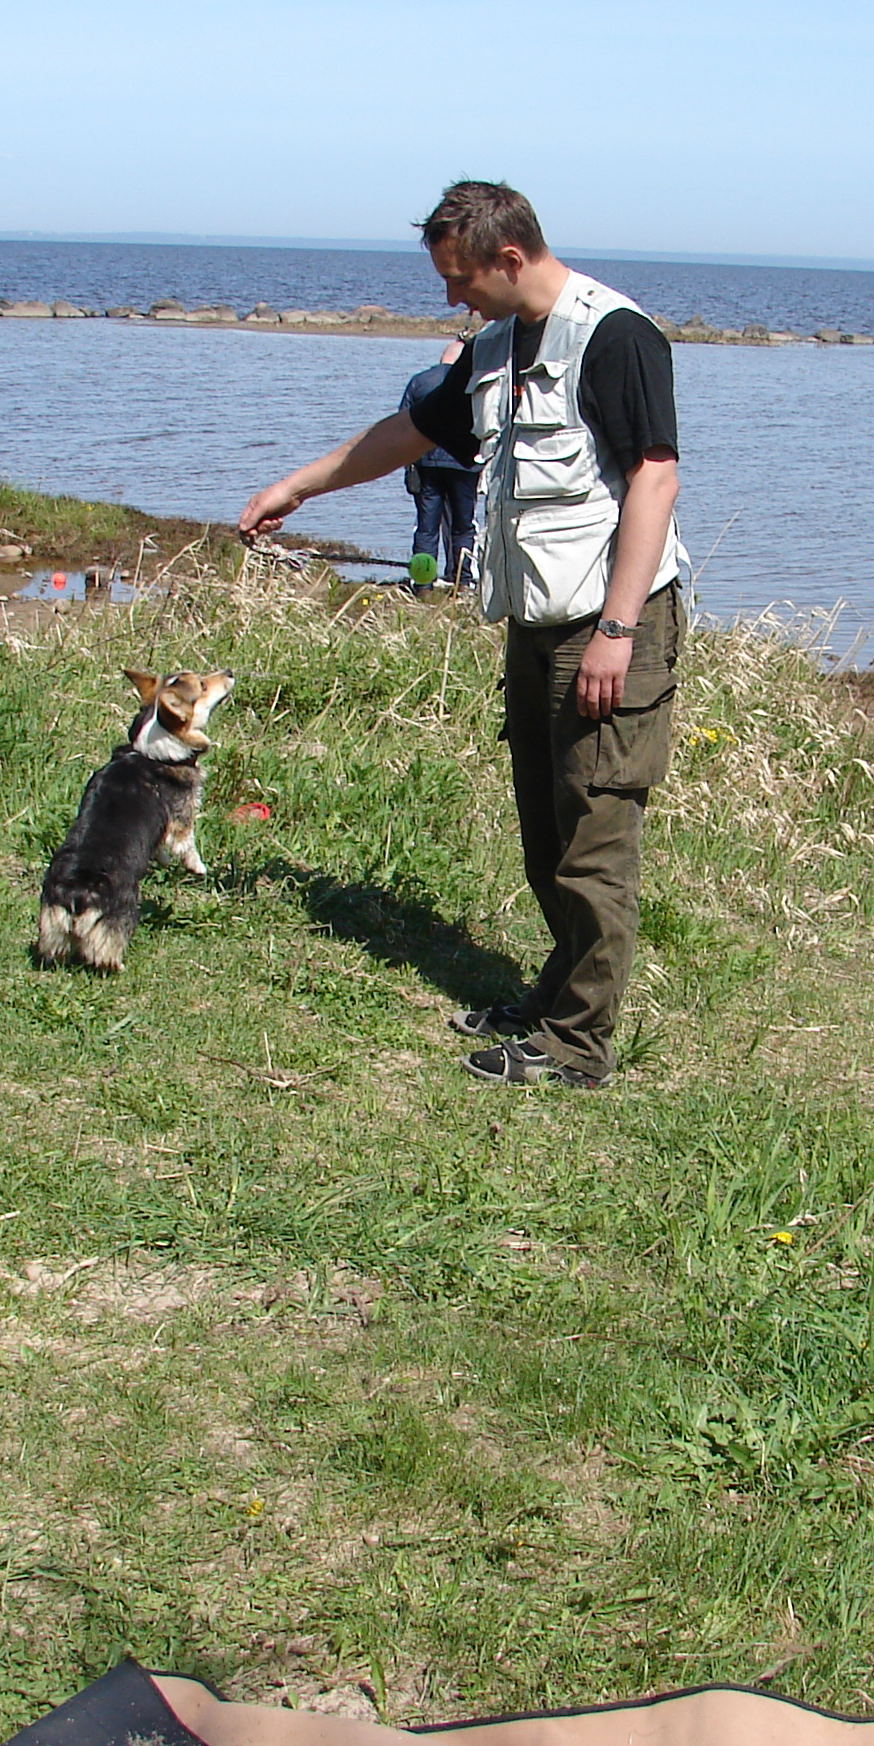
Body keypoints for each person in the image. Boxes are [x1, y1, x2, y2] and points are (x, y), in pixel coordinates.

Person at [239, 181, 686, 1088]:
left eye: (460, 279)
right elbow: (408, 432)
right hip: (535, 624)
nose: (452, 297)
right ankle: (554, 998)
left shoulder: (615, 335)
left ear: (510, 258)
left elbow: (656, 479)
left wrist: (617, 628)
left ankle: (579, 1049)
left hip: (609, 624)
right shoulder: (493, 347)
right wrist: (297, 487)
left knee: (595, 843)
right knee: (546, 839)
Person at [399, 337, 478, 589]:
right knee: (463, 527)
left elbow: (403, 422)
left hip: (427, 464)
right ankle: (462, 581)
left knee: (426, 528)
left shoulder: (419, 381)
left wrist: (408, 462)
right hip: (465, 465)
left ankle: (423, 583)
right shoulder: (473, 381)